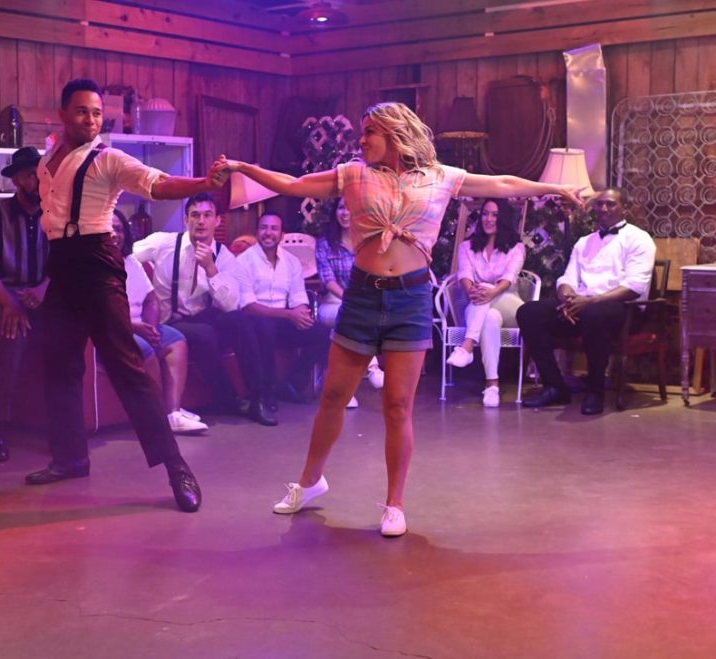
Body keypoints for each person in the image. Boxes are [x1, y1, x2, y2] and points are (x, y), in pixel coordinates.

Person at [216, 101, 582, 536]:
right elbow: (293, 185)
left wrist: (554, 189)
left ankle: (394, 504)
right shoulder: (353, 174)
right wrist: (242, 167)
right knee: (333, 396)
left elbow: (502, 183)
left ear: (393, 133)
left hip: (411, 299)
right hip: (362, 297)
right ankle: (310, 482)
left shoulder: (440, 177)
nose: (361, 140)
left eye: (369, 131)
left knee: (397, 405)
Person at [28, 78, 223, 513]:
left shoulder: (108, 159)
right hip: (61, 263)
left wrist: (204, 182)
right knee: (59, 364)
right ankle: (70, 458)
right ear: (63, 114)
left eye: (97, 113)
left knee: (126, 366)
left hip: (97, 263)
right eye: (82, 111)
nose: (91, 120)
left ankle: (176, 467)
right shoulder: (47, 160)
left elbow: (158, 183)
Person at [133, 192, 275, 426]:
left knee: (243, 320)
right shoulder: (163, 243)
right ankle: (228, 399)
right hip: (170, 320)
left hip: (203, 317)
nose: (201, 221)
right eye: (195, 215)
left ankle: (259, 398)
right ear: (186, 220)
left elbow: (231, 305)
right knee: (204, 334)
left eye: (207, 215)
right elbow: (126, 253)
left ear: (217, 221)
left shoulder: (224, 256)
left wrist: (210, 269)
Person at [517, 187, 656, 415]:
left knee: (595, 314)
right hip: (582, 307)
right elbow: (568, 278)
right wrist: (567, 298)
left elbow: (635, 287)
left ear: (625, 208)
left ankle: (595, 391)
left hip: (621, 310)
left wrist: (590, 302)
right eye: (600, 204)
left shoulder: (639, 239)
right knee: (529, 312)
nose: (603, 208)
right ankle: (555, 387)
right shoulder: (584, 242)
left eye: (610, 204)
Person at [0, 146, 50, 462]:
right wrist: (10, 304)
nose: (38, 181)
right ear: (16, 179)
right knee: (11, 337)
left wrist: (44, 288)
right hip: (0, 293)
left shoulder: (56, 213)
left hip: (43, 293)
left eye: (42, 174)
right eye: (31, 175)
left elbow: (65, 264)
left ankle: (60, 427)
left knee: (63, 336)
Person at [112, 210, 207, 434]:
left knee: (175, 340)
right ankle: (155, 418)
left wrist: (152, 327)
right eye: (109, 230)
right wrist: (136, 328)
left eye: (119, 229)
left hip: (140, 325)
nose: (115, 234)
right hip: (114, 329)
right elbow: (98, 312)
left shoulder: (131, 262)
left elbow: (151, 299)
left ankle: (173, 414)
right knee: (146, 348)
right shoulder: (91, 266)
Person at [236, 213, 330, 422]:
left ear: (282, 234)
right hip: (256, 321)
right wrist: (289, 314)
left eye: (274, 228)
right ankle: (267, 392)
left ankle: (292, 384)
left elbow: (298, 297)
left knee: (322, 332)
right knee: (265, 327)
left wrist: (302, 314)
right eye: (264, 227)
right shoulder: (243, 261)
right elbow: (248, 306)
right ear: (257, 232)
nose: (268, 233)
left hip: (284, 320)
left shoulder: (291, 262)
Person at [444, 199, 527, 407]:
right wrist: (472, 291)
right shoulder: (466, 247)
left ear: (503, 219)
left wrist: (490, 292)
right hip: (481, 305)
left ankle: (467, 346)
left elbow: (509, 278)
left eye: (495, 215)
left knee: (486, 291)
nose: (488, 219)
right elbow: (464, 275)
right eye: (485, 214)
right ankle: (492, 385)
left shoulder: (516, 248)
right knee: (489, 317)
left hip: (509, 304)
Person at [315, 197, 385, 408]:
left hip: (362, 306)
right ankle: (372, 367)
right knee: (348, 316)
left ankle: (345, 393)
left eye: (350, 208)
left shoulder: (367, 242)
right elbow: (328, 280)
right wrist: (350, 299)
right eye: (341, 208)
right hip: (332, 303)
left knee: (351, 323)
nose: (345, 213)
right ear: (335, 212)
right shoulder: (325, 243)